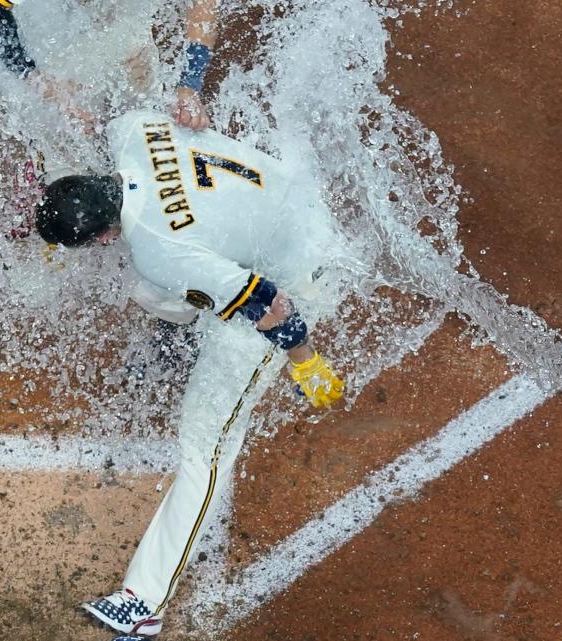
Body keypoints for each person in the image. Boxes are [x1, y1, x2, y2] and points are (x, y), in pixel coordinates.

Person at [34, 108, 346, 638]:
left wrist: (306, 363)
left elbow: (272, 306)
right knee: (156, 291)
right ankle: (180, 332)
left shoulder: (160, 250)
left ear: (102, 238)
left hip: (303, 267)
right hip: (294, 200)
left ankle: (143, 603)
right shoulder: (131, 127)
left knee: (205, 445)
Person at [0, 0, 219, 130]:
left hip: (121, 19)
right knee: (66, 114)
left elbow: (203, 4)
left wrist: (189, 85)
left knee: (135, 61)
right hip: (55, 18)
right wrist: (40, 81)